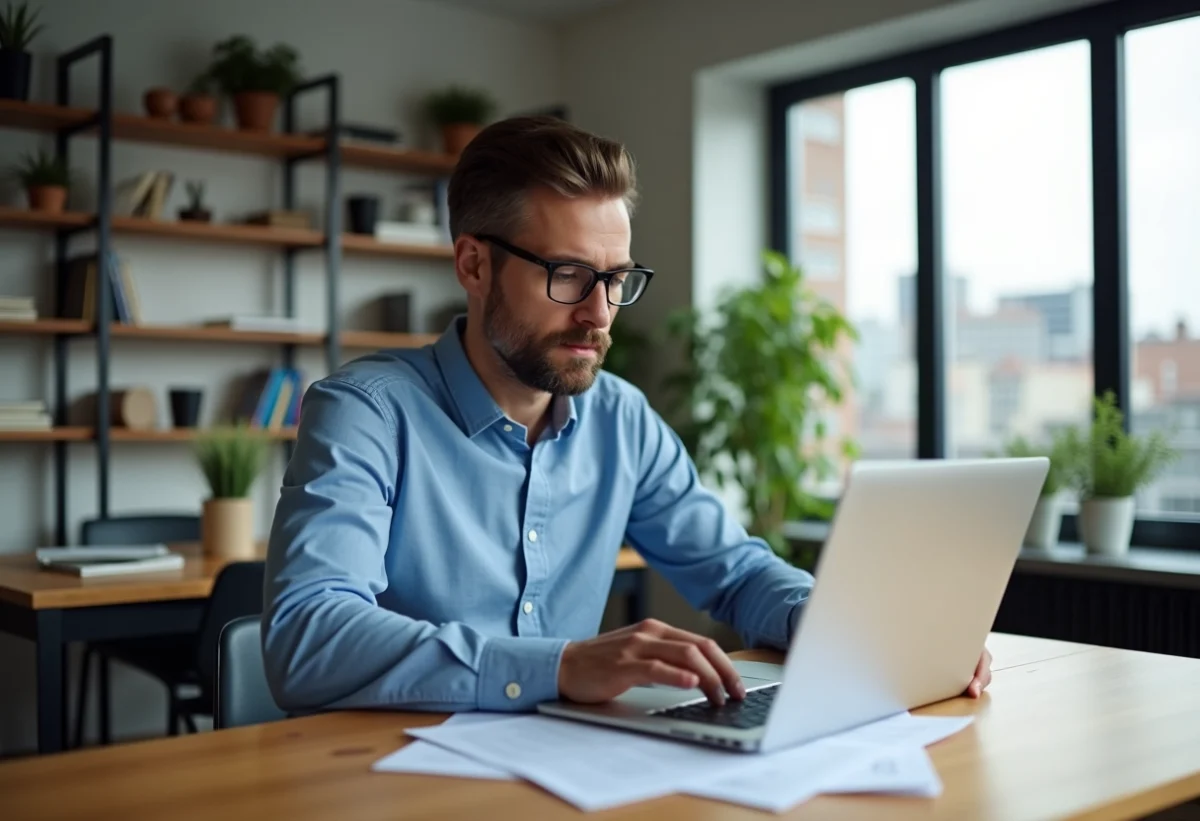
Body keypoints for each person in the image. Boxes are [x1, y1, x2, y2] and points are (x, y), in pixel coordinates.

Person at [261, 116, 992, 715]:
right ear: (474, 265)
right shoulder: (364, 412)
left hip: (571, 769)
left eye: (616, 279)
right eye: (569, 274)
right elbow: (309, 636)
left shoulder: (621, 418)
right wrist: (565, 663)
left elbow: (733, 572)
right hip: (388, 778)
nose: (599, 313)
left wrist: (842, 625)